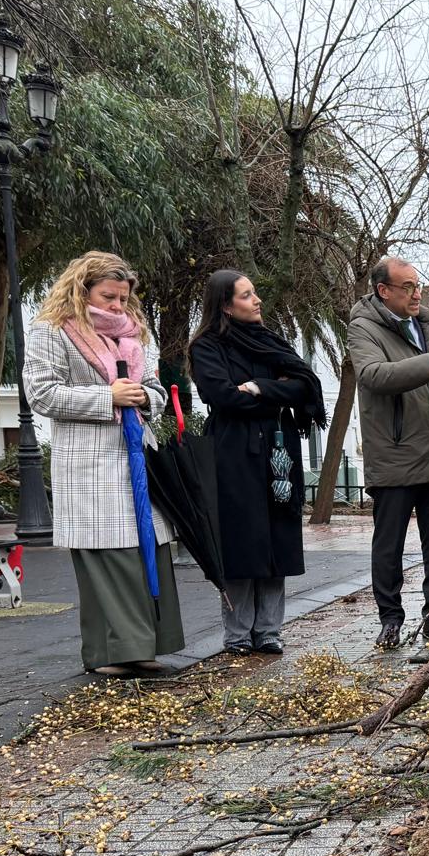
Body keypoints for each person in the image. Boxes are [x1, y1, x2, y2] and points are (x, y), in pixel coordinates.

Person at [26, 251, 184, 677]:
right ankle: (114, 652)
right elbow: (41, 394)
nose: (116, 306)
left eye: (121, 297)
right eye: (107, 296)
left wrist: (144, 399)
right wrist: (107, 397)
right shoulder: (51, 332)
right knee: (107, 555)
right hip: (89, 464)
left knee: (146, 548)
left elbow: (153, 389)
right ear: (82, 290)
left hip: (136, 457)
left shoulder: (132, 336)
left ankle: (145, 645)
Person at [189, 270, 325, 656]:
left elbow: (304, 386)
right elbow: (222, 396)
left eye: (255, 293)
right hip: (232, 452)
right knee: (240, 541)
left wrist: (262, 387)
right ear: (226, 305)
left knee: (277, 539)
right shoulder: (206, 346)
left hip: (278, 451)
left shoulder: (271, 341)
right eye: (247, 296)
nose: (257, 300)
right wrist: (274, 394)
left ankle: (268, 631)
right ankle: (237, 635)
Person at [346, 257, 429, 651]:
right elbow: (374, 376)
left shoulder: (426, 325)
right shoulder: (363, 328)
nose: (417, 293)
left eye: (418, 285)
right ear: (384, 291)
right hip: (395, 457)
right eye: (408, 287)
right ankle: (390, 621)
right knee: (389, 545)